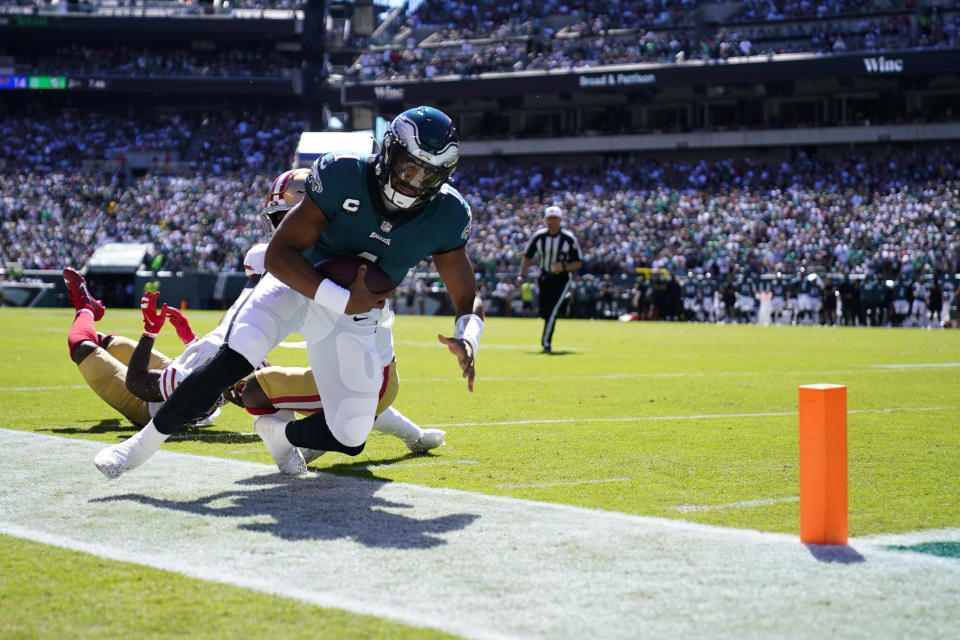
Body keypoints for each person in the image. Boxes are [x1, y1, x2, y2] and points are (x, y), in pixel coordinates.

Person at [95, 105, 482, 478]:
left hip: (355, 312)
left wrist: (468, 336)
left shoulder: (447, 215)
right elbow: (280, 255)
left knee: (351, 435)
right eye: (406, 166)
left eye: (426, 175)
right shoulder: (344, 173)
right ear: (388, 151)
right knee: (234, 356)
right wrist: (341, 297)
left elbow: (467, 297)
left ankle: (279, 433)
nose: (411, 181)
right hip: (299, 282)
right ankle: (138, 448)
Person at [519, 205, 582, 353]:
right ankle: (564, 303)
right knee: (543, 312)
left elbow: (578, 262)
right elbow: (527, 256)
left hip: (562, 278)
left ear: (560, 220)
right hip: (545, 276)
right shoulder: (539, 236)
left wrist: (564, 266)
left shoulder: (568, 238)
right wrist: (521, 274)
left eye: (555, 219)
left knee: (551, 312)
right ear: (545, 220)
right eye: (549, 218)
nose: (552, 222)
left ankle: (546, 343)